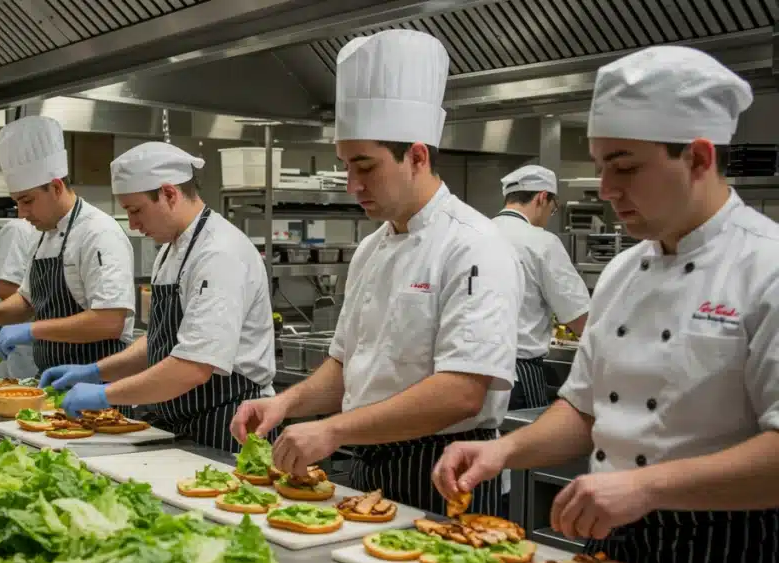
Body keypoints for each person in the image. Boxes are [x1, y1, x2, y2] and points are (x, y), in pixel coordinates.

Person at [433, 46, 779, 563]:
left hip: (730, 555)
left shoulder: (767, 266)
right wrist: (503, 451)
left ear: (697, 156)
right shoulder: (624, 269)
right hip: (612, 543)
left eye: (625, 166)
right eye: (600, 168)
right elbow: (583, 410)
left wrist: (644, 486)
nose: (606, 188)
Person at [229, 30, 521, 517]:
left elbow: (461, 393)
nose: (352, 184)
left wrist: (334, 429)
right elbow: (345, 366)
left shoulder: (475, 244)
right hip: (370, 470)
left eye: (365, 166)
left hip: (445, 473)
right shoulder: (371, 248)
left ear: (417, 156)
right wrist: (287, 403)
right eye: (346, 166)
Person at [40, 142, 276, 451]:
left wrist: (104, 394)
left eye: (136, 211)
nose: (134, 225)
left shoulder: (219, 253)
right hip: (179, 420)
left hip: (228, 426)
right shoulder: (170, 250)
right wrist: (96, 371)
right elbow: (161, 341)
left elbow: (192, 367)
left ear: (169, 194)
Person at [0, 116, 135, 371]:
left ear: (56, 187)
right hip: (51, 382)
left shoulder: (98, 233)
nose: (21, 212)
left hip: (96, 387)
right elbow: (27, 300)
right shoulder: (44, 233)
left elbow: (109, 321)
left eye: (27, 201)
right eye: (17, 202)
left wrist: (31, 330)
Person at [492, 165, 590, 409]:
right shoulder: (542, 242)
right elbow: (580, 319)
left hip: (471, 371)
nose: (549, 217)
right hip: (518, 377)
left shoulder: (475, 232)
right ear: (542, 197)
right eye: (553, 209)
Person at [0, 217, 39, 379]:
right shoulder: (18, 230)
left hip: (42, 336)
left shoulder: (53, 233)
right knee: (20, 393)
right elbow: (6, 289)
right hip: (22, 341)